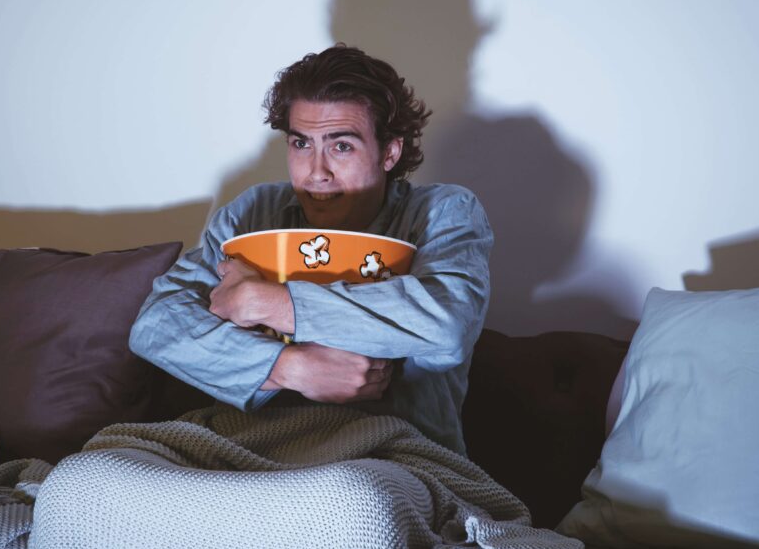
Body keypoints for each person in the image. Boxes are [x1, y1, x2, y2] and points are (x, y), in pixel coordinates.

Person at [129, 44, 492, 455]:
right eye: (301, 144)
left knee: (347, 503)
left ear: (389, 152)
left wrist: (268, 302)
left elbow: (447, 324)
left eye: (341, 146)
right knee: (84, 480)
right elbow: (156, 325)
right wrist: (288, 369)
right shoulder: (254, 211)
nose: (316, 172)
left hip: (390, 453)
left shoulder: (443, 211)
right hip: (243, 445)